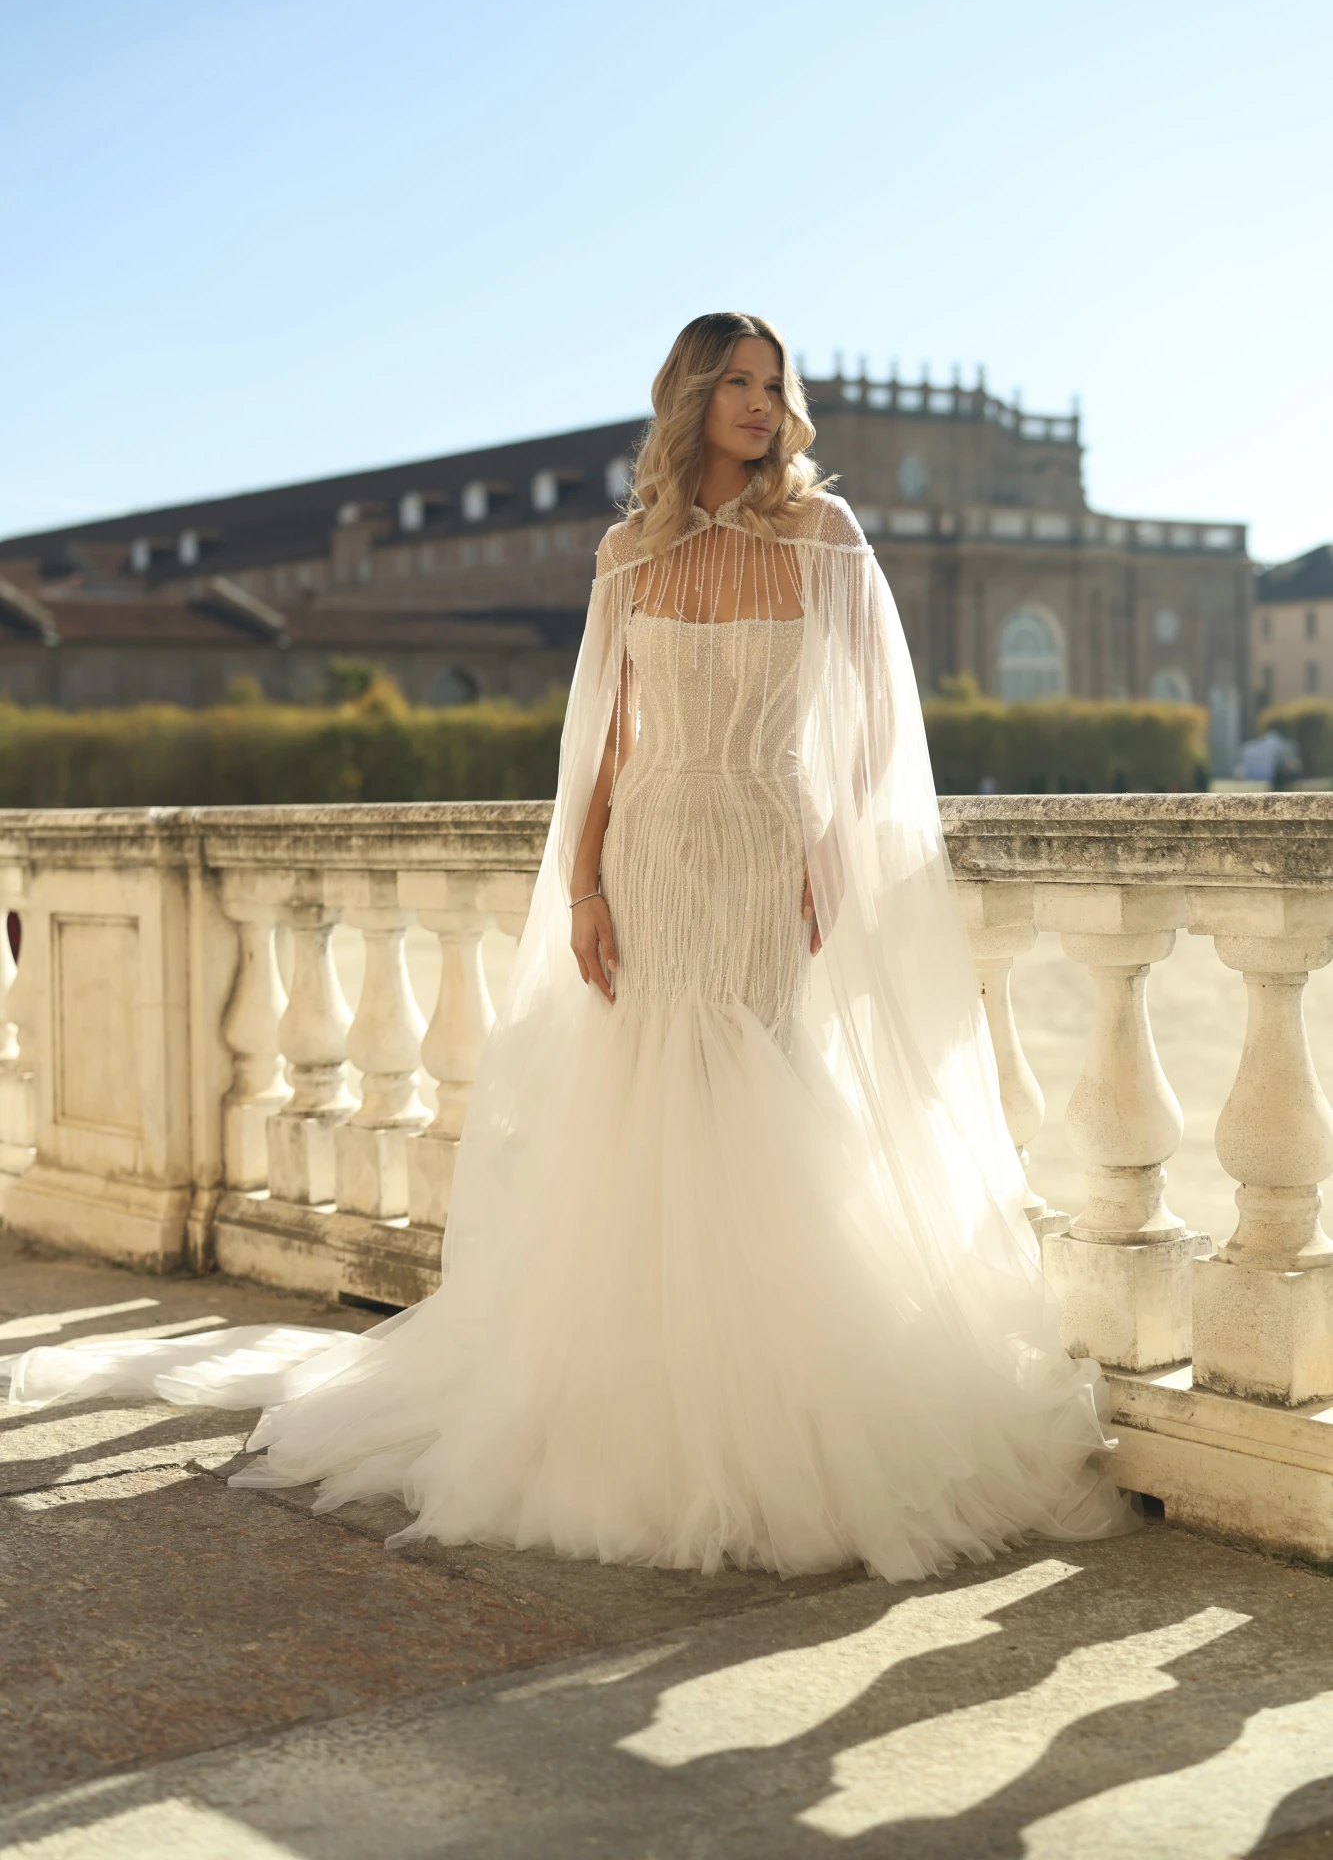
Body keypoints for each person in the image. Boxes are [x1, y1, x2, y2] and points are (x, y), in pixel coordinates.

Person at [3, 312, 1131, 1580]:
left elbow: (875, 719)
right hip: (649, 847)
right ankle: (637, 1379)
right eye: (739, 384)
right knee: (648, 1085)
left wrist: (833, 847)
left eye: (775, 385)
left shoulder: (828, 534)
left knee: (756, 1075)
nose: (763, 406)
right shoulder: (626, 548)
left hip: (768, 841)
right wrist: (585, 883)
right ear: (692, 397)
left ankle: (760, 1381)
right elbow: (602, 735)